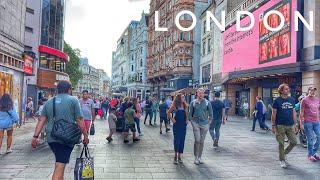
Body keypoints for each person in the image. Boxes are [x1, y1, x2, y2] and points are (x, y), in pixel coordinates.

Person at [31, 81, 89, 180]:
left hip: (51, 138)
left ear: (57, 89)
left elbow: (42, 120)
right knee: (59, 167)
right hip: (66, 138)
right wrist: (85, 136)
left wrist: (35, 136)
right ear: (69, 89)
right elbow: (79, 119)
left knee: (60, 163)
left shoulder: (49, 101)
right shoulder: (73, 100)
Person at [271, 84, 298, 168]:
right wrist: (273, 125)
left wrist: (296, 123)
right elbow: (273, 113)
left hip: (290, 125)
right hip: (280, 125)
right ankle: (282, 160)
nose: (288, 90)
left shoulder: (292, 100)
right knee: (281, 143)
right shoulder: (277, 101)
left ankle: (284, 154)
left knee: (294, 142)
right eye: (286, 89)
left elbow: (294, 112)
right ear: (281, 91)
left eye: (288, 89)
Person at [189, 88, 213, 165]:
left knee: (202, 141)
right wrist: (192, 123)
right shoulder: (193, 102)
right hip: (195, 123)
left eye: (202, 93)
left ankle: (200, 157)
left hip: (204, 124)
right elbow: (190, 114)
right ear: (197, 94)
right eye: (199, 93)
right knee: (197, 140)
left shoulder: (207, 103)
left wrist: (208, 123)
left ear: (204, 94)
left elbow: (211, 114)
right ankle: (195, 157)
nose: (200, 94)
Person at [300, 87, 320, 162]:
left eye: (314, 90)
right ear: (308, 91)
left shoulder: (318, 99)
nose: (312, 92)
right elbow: (301, 113)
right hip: (308, 122)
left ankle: (313, 153)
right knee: (310, 139)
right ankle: (310, 155)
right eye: (311, 90)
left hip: (317, 122)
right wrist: (301, 124)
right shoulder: (304, 100)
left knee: (319, 137)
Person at [167, 93, 188, 164]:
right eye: (182, 97)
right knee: (177, 140)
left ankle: (179, 156)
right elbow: (168, 112)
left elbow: (187, 114)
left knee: (182, 140)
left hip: (183, 125)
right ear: (179, 98)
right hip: (177, 125)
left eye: (184, 97)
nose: (184, 98)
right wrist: (172, 119)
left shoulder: (185, 106)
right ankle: (175, 156)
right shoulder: (175, 105)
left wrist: (187, 120)